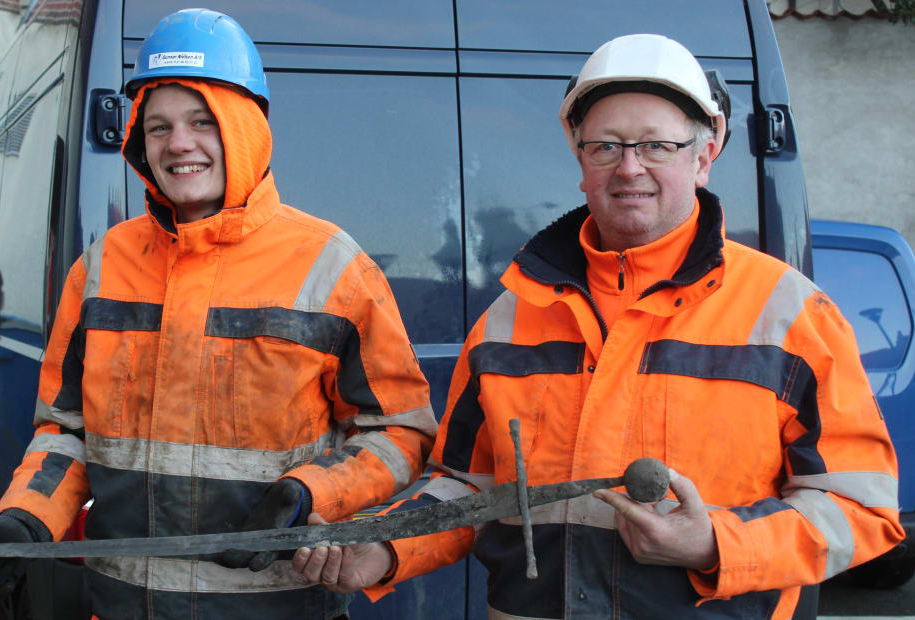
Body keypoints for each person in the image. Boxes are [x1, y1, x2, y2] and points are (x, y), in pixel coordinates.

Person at [294, 33, 904, 618]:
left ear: (704, 156)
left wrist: (716, 544)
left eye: (655, 146)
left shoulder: (790, 314)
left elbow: (862, 510)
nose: (628, 167)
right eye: (605, 146)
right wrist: (383, 547)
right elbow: (466, 485)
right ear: (580, 161)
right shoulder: (508, 320)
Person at [0, 9, 436, 620]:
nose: (178, 144)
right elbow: (66, 431)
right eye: (158, 127)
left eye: (201, 121)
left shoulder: (332, 268)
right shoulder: (101, 269)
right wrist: (26, 518)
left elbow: (400, 432)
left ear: (245, 128)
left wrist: (309, 491)